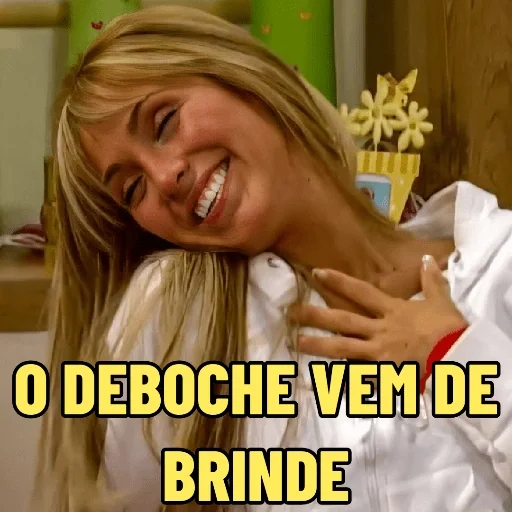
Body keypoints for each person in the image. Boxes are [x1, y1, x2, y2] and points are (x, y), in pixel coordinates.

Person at [35, 5, 512, 512]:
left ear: (245, 77)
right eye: (133, 188)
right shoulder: (178, 321)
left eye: (165, 121)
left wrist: (458, 358)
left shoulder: (498, 260)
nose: (165, 176)